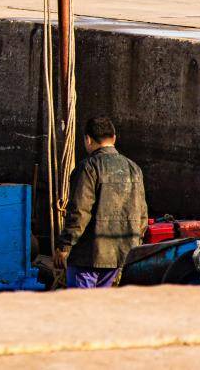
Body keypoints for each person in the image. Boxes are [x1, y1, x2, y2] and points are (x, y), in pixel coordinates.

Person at [54, 116, 148, 289]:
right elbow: (142, 216)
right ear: (114, 138)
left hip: (87, 257)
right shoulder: (134, 168)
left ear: (88, 139)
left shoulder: (88, 168)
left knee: (81, 304)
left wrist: (64, 246)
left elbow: (79, 212)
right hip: (120, 255)